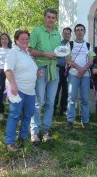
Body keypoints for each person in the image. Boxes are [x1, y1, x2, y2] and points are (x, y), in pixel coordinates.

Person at [29, 8, 61, 144]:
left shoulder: (57, 34)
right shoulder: (37, 31)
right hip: (41, 69)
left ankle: (46, 130)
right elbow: (30, 50)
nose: (51, 20)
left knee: (50, 102)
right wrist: (44, 54)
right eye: (49, 17)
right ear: (44, 18)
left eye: (53, 18)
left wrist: (62, 54)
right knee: (39, 102)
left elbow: (59, 51)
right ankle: (34, 132)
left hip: (54, 70)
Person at [4, 30, 38, 152]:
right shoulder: (13, 52)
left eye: (27, 39)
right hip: (17, 89)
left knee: (28, 114)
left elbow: (27, 69)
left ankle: (23, 139)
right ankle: (10, 142)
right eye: (22, 39)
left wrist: (36, 73)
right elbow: (8, 70)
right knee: (14, 115)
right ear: (16, 40)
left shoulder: (27, 54)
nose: (25, 41)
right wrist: (13, 85)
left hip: (30, 91)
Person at [65, 24, 95, 129]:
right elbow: (68, 60)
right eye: (77, 30)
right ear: (75, 32)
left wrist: (83, 70)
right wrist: (79, 69)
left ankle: (85, 121)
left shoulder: (88, 45)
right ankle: (70, 121)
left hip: (86, 75)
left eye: (82, 30)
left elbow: (91, 60)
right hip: (73, 74)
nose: (80, 32)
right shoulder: (70, 44)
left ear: (84, 32)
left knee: (85, 99)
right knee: (71, 98)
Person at [54, 27, 72, 116]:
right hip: (59, 68)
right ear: (62, 34)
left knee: (66, 90)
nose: (67, 35)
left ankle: (63, 109)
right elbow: (55, 55)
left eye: (68, 33)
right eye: (65, 33)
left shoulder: (72, 45)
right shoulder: (58, 44)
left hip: (68, 70)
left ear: (70, 35)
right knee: (56, 89)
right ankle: (53, 108)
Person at [0, 33, 12, 117]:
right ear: (0, 41)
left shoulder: (12, 50)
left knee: (10, 90)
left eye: (6, 38)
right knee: (0, 90)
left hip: (9, 71)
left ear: (8, 40)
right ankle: (0, 110)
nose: (4, 40)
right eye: (2, 39)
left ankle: (13, 109)